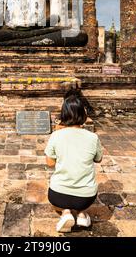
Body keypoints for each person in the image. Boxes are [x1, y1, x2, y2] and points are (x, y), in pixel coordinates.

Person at [44, 89, 103, 233]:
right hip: (85, 198)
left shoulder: (56, 136)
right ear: (83, 114)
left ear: (64, 114)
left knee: (62, 200)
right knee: (84, 196)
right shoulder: (92, 137)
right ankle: (82, 214)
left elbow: (50, 163)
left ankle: (65, 213)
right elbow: (98, 159)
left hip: (58, 195)